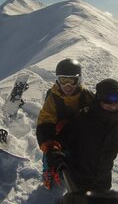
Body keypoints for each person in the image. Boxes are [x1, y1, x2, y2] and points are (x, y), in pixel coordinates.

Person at [57, 78, 118, 192]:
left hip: (103, 175)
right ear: (99, 98)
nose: (113, 105)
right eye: (107, 100)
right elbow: (64, 140)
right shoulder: (84, 117)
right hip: (79, 174)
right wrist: (55, 157)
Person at [36, 58, 94, 189]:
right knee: (50, 154)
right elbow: (45, 120)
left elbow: (97, 113)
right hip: (57, 133)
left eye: (72, 81)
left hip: (78, 132)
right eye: (63, 80)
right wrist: (50, 145)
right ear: (57, 80)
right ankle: (48, 170)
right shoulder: (53, 97)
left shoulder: (85, 95)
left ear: (79, 80)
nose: (68, 86)